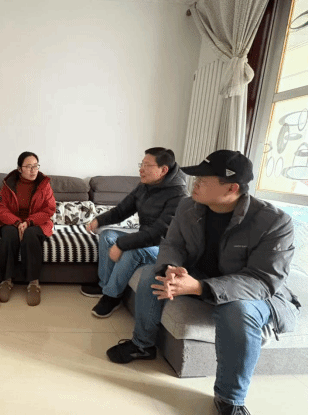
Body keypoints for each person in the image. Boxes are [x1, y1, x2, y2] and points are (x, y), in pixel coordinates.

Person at [106, 150, 301, 415]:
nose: (194, 183)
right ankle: (142, 345)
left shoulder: (274, 221)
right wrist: (170, 269)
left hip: (250, 292)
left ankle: (230, 399)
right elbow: (172, 244)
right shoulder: (188, 206)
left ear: (232, 188)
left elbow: (263, 281)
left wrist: (200, 287)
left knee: (237, 310)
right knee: (153, 273)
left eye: (203, 180)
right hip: (199, 274)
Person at [81, 148, 188, 318]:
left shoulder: (179, 194)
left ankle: (112, 297)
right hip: (145, 238)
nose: (141, 170)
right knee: (108, 236)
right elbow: (122, 210)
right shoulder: (145, 185)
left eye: (147, 165)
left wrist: (122, 244)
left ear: (163, 170)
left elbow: (158, 233)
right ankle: (104, 285)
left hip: (164, 247)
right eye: (141, 164)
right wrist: (99, 221)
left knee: (133, 251)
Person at [0, 151, 56, 306]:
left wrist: (28, 222)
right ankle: (6, 281)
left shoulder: (44, 185)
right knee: (9, 235)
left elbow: (49, 209)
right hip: (12, 221)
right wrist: (16, 222)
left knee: (30, 235)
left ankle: (33, 283)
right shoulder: (9, 184)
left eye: (36, 166)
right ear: (20, 169)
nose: (33, 170)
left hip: (36, 222)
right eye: (28, 167)